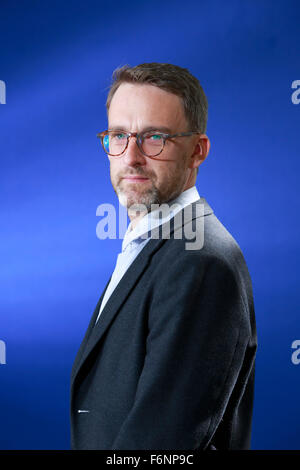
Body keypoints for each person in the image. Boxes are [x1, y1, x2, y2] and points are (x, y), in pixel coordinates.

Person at [70, 63, 257, 450]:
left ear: (197, 151)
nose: (132, 156)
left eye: (155, 137)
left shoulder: (202, 262)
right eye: (119, 135)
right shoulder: (152, 244)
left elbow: (160, 449)